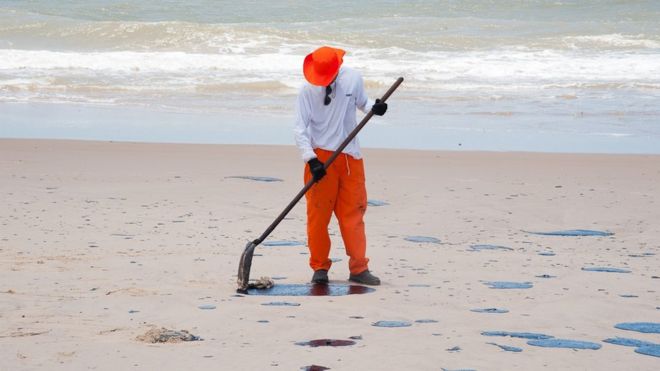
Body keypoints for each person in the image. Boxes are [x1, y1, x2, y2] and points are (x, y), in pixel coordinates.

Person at [293, 46, 387, 286]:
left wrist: (374, 109)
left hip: (349, 158)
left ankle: (359, 268)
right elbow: (300, 129)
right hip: (320, 159)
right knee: (318, 217)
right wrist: (311, 159)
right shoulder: (306, 90)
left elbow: (363, 103)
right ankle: (320, 268)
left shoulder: (353, 78)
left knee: (353, 214)